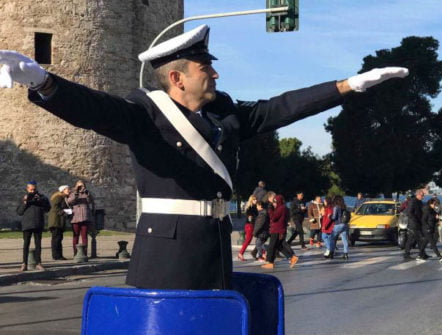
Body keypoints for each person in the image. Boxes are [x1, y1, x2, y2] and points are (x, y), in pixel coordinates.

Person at [0, 25, 409, 289]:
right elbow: (95, 109)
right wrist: (43, 82)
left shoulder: (224, 113)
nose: (215, 75)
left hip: (213, 241)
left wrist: (347, 86)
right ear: (177, 77)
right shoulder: (144, 111)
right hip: (167, 246)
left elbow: (283, 107)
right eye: (205, 68)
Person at [16, 181, 51, 271]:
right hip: (27, 224)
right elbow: (19, 212)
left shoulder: (42, 197)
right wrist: (25, 202)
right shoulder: (24, 198)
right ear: (27, 189)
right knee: (26, 244)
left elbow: (48, 209)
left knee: (38, 244)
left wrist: (41, 201)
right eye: (31, 189)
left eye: (34, 189)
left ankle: (38, 263)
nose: (32, 191)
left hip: (38, 223)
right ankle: (24, 263)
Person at [262, 195, 299, 269]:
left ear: (278, 202)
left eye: (275, 202)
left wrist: (270, 209)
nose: (274, 204)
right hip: (279, 229)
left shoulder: (281, 208)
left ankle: (270, 262)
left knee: (272, 246)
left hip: (277, 230)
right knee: (279, 246)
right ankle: (292, 257)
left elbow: (273, 217)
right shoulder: (282, 208)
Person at [67, 180, 95, 256]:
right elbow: (70, 202)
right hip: (75, 217)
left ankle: (84, 253)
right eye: (79, 186)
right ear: (76, 186)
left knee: (84, 236)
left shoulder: (87, 193)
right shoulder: (72, 193)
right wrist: (76, 192)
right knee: (75, 236)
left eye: (82, 185)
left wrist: (87, 193)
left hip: (85, 217)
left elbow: (90, 201)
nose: (80, 187)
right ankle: (75, 253)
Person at [48, 185, 71, 260]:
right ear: (63, 190)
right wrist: (65, 212)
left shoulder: (63, 197)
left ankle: (59, 255)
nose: (69, 190)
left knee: (59, 238)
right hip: (56, 221)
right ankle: (56, 255)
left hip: (59, 221)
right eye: (67, 189)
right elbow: (55, 208)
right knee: (56, 238)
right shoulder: (58, 197)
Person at [403, 189, 424, 260]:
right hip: (413, 224)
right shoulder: (413, 201)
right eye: (422, 195)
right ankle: (407, 254)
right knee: (412, 239)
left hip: (418, 223)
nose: (423, 196)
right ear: (417, 195)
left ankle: (422, 253)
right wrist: (415, 220)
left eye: (423, 195)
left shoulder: (420, 202)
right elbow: (409, 212)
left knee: (418, 239)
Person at [237, 195, 258, 261]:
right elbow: (250, 217)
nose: (256, 200)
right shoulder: (250, 208)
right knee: (248, 240)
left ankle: (261, 253)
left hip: (252, 225)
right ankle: (240, 253)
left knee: (259, 239)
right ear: (251, 200)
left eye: (256, 199)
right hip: (250, 225)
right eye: (254, 199)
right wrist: (254, 219)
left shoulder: (254, 207)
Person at [331, 196, 351, 260]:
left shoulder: (336, 207)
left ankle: (331, 252)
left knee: (332, 239)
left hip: (337, 225)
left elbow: (334, 217)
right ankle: (346, 254)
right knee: (345, 240)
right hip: (344, 224)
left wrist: (329, 217)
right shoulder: (344, 206)